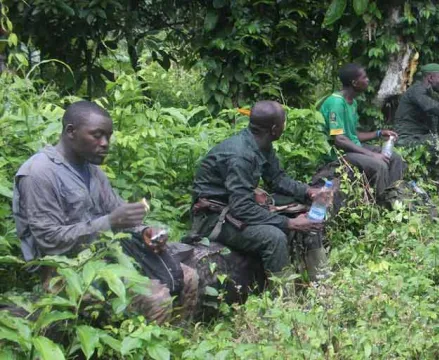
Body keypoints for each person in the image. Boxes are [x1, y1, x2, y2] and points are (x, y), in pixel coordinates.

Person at [12, 101, 197, 323]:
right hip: (66, 273)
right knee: (157, 298)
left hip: (110, 257)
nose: (105, 143)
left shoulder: (91, 168)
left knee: (188, 277)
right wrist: (109, 222)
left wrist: (145, 231)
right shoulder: (39, 173)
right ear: (71, 131)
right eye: (97, 135)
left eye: (108, 136)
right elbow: (49, 241)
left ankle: (177, 343)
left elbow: (117, 212)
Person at [191, 100, 326, 285]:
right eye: (283, 122)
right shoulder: (241, 156)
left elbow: (277, 179)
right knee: (274, 237)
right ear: (274, 129)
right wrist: (289, 223)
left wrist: (310, 192)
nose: (284, 126)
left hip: (234, 206)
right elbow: (242, 208)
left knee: (306, 211)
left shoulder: (261, 145)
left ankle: (321, 280)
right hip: (213, 219)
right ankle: (284, 300)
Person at [319, 63, 407, 204]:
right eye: (364, 77)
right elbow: (340, 140)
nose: (367, 80)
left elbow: (353, 135)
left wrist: (379, 133)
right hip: (339, 153)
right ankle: (383, 205)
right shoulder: (336, 103)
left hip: (352, 147)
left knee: (395, 158)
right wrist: (371, 154)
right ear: (354, 83)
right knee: (380, 165)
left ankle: (396, 198)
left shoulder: (352, 102)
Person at [394, 63, 439, 183]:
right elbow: (431, 107)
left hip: (420, 137)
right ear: (430, 78)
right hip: (406, 139)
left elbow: (436, 118)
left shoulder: (430, 94)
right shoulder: (416, 90)